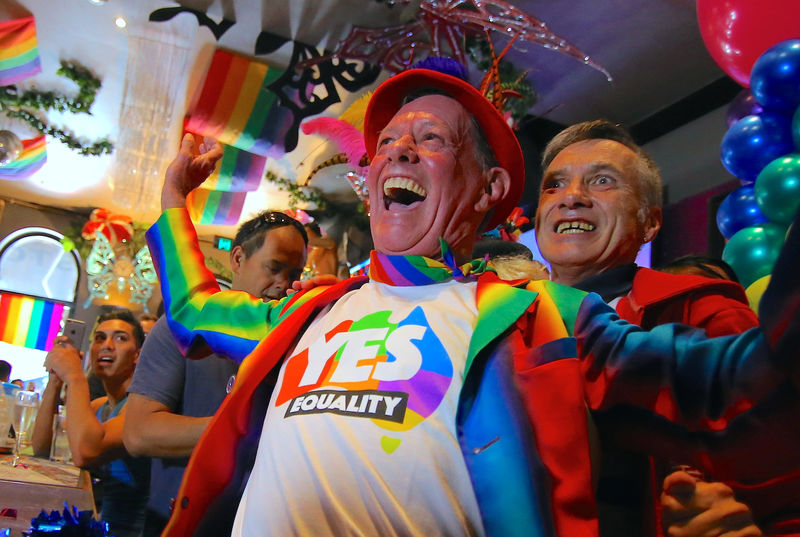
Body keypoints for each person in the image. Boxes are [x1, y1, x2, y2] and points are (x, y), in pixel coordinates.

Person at [146, 62, 800, 537]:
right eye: (388, 143)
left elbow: (733, 386)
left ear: (488, 190)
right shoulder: (308, 309)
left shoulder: (538, 320)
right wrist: (177, 200)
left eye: (430, 138)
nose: (399, 147)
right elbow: (195, 309)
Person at [534, 120, 788, 535]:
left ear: (650, 223)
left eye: (601, 181)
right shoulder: (495, 318)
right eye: (554, 185)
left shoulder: (700, 312)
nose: (572, 198)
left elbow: (777, 458)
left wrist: (736, 516)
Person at [123, 210, 308, 536]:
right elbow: (139, 432)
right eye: (274, 267)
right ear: (238, 258)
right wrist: (244, 430)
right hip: (177, 522)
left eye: (295, 273)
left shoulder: (294, 341)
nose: (284, 284)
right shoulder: (181, 331)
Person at [31, 310, 149, 537]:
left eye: (120, 338)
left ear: (137, 355)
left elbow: (86, 451)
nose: (106, 345)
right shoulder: (98, 406)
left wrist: (75, 375)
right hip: (97, 524)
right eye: (99, 338)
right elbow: (41, 449)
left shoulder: (139, 406)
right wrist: (55, 381)